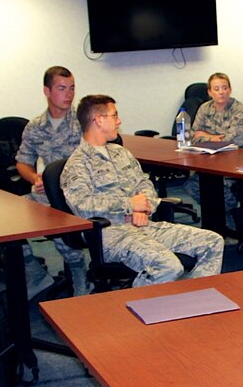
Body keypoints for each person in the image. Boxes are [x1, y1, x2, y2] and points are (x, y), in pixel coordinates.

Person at [61, 95, 224, 287]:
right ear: (98, 120)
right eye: (114, 116)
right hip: (113, 235)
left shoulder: (121, 153)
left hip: (145, 225)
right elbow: (83, 206)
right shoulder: (77, 164)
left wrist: (143, 208)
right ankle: (135, 306)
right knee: (169, 266)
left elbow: (145, 184)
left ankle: (192, 298)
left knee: (213, 242)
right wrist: (129, 205)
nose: (119, 121)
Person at [15, 65, 87, 297]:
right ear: (47, 91)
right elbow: (23, 162)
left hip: (80, 192)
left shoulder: (85, 122)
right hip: (47, 192)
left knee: (59, 223)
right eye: (62, 88)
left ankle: (80, 276)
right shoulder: (36, 126)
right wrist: (35, 177)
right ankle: (36, 274)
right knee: (8, 221)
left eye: (72, 88)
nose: (69, 94)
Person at [184, 72, 243, 214]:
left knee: (221, 186)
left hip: (240, 157)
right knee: (192, 186)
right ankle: (216, 217)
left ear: (230, 89)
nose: (221, 92)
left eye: (225, 88)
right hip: (212, 157)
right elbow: (193, 135)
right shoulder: (205, 108)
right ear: (210, 92)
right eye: (216, 89)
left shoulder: (239, 110)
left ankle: (231, 217)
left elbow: (233, 141)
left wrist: (206, 136)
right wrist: (213, 138)